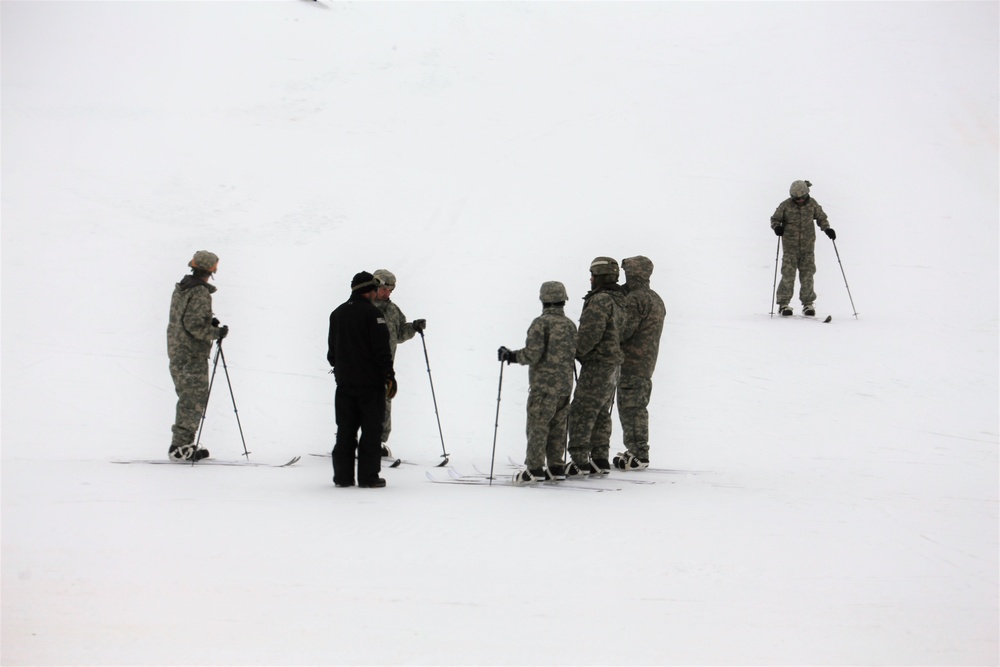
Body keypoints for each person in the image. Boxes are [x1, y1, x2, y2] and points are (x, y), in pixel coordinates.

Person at [498, 281, 578, 485]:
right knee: (558, 427)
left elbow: (533, 354)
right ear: (563, 300)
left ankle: (534, 469)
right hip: (564, 387)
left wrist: (511, 356)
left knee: (538, 426)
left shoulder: (541, 323)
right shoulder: (569, 325)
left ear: (543, 299)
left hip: (543, 387)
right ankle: (556, 467)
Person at [327, 271, 396, 489]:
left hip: (344, 384)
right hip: (370, 385)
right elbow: (381, 350)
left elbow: (331, 354)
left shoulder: (336, 313)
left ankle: (342, 477)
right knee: (370, 431)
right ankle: (368, 477)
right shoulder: (373, 315)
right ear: (370, 290)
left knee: (345, 431)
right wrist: (389, 375)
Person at [566, 257, 627, 476]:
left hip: (597, 364)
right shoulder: (620, 299)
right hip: (613, 364)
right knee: (601, 412)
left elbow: (590, 334)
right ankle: (600, 458)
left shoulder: (601, 300)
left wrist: (576, 351)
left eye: (593, 275)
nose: (590, 279)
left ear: (600, 277)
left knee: (582, 410)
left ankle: (579, 460)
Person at [166, 250, 229, 462]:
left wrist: (207, 322)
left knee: (188, 397)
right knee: (193, 399)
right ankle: (181, 448)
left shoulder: (182, 288)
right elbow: (193, 325)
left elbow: (186, 320)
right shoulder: (200, 292)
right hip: (191, 354)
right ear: (211, 270)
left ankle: (183, 445)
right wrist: (215, 332)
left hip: (178, 350)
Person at [613, 256, 666, 471]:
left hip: (631, 363)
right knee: (637, 406)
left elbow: (624, 331)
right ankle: (637, 450)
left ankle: (638, 454)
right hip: (646, 362)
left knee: (631, 408)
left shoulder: (634, 299)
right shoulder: (656, 299)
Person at [371, 269, 425, 459]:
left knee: (384, 404)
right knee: (361, 405)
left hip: (386, 369)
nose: (388, 293)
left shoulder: (393, 310)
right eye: (384, 289)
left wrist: (413, 327)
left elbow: (400, 333)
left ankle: (378, 442)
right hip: (364, 368)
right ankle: (351, 440)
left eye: (391, 290)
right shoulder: (363, 307)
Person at [771, 180, 836, 316]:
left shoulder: (812, 204)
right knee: (788, 276)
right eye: (796, 198)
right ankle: (783, 304)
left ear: (807, 194)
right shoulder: (786, 205)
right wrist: (777, 227)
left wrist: (827, 228)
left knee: (807, 276)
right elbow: (775, 219)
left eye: (802, 198)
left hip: (807, 247)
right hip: (790, 248)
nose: (800, 200)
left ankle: (808, 304)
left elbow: (821, 217)